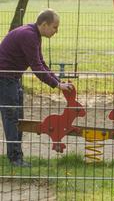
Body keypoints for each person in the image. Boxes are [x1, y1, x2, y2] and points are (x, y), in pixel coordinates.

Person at [0, 9, 73, 167]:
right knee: (12, 118)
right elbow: (37, 67)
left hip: (12, 78)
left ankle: (16, 157)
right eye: (54, 27)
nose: (56, 31)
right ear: (44, 24)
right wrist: (57, 84)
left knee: (18, 118)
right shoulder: (29, 35)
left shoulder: (34, 34)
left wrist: (58, 81)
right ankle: (15, 159)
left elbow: (41, 63)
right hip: (4, 79)